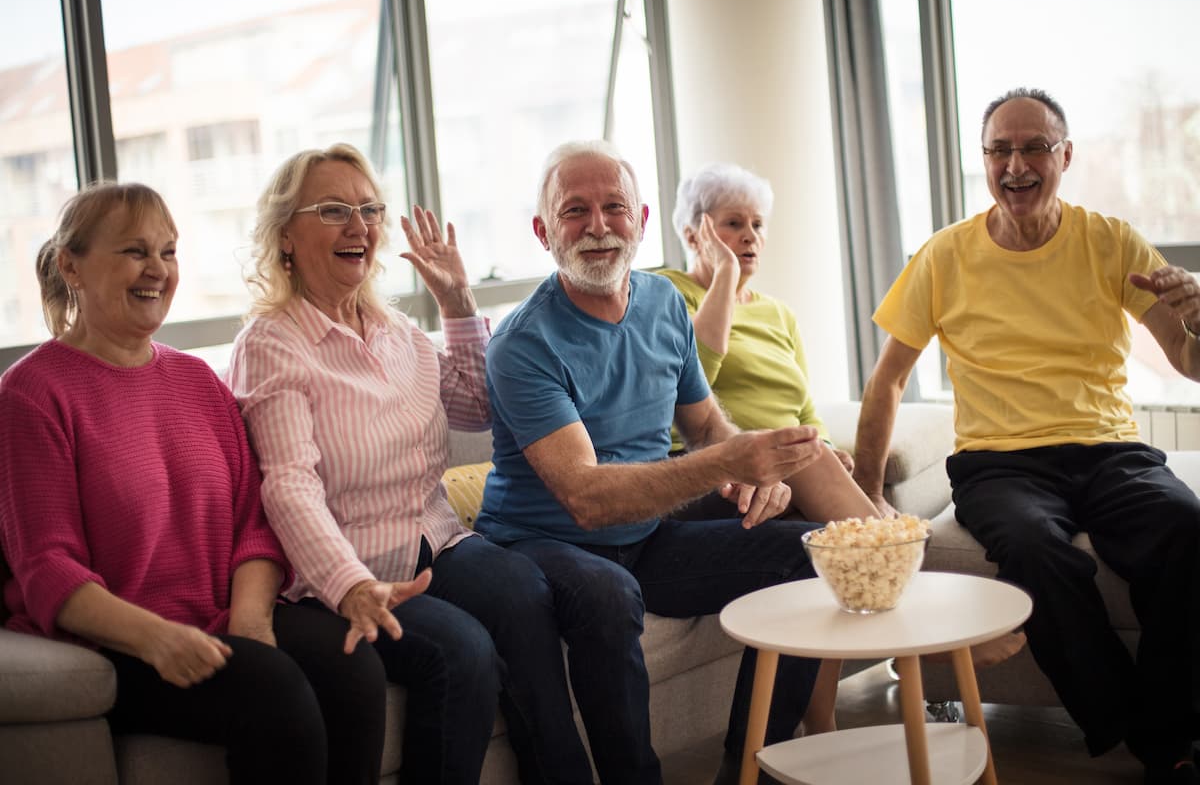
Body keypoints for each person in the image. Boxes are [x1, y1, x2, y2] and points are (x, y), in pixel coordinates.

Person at [852, 87, 1200, 785]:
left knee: (1189, 528)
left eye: (1034, 146)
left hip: (1109, 451)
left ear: (1064, 156)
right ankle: (1149, 734)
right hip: (1000, 464)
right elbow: (887, 380)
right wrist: (864, 496)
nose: (1016, 163)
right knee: (1036, 552)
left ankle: (1161, 736)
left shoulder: (1111, 241)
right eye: (999, 149)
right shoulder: (943, 256)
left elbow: (1188, 362)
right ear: (983, 161)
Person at [226, 143, 593, 785]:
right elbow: (288, 487)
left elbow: (478, 407)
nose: (359, 225)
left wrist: (455, 300)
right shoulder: (272, 343)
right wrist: (350, 586)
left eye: (369, 208)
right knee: (463, 654)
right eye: (334, 209)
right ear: (286, 235)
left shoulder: (393, 329)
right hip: (347, 569)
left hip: (436, 539)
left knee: (523, 590)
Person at [475, 139, 836, 785]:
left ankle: (750, 769)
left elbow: (702, 424)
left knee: (810, 553)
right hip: (543, 541)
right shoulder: (522, 342)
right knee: (608, 595)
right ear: (543, 232)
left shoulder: (665, 304)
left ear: (641, 222)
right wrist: (727, 457)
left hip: (644, 535)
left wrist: (751, 475)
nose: (597, 226)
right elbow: (586, 498)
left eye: (614, 207)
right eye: (574, 211)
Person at [0, 182, 387, 784]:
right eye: (134, 251)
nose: (157, 269)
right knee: (274, 692)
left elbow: (253, 526)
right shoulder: (31, 394)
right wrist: (157, 639)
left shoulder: (198, 380)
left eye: (169, 251)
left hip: (216, 616)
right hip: (118, 642)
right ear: (71, 265)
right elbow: (48, 568)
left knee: (353, 663)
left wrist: (251, 619)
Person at [661, 161, 882, 735]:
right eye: (733, 223)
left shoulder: (779, 313)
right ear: (693, 233)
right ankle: (906, 582)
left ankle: (822, 722)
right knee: (853, 529)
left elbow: (804, 406)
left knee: (837, 552)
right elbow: (695, 380)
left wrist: (829, 444)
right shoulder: (666, 296)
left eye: (757, 224)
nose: (751, 236)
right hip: (712, 470)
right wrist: (726, 279)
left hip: (791, 465)